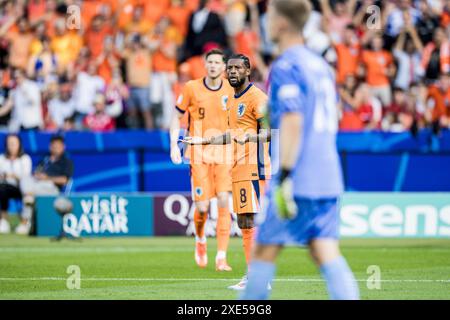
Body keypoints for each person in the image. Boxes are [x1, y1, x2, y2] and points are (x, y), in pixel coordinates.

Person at [241, 0, 359, 300]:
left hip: (300, 176)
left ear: (281, 24)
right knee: (324, 249)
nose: (265, 24)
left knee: (264, 251)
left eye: (268, 18)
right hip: (328, 175)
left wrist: (286, 175)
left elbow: (293, 119)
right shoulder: (319, 64)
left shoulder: (287, 65)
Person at [182, 53, 271, 290]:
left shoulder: (257, 97)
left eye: (237, 68)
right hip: (238, 167)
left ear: (247, 71)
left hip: (254, 167)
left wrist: (250, 137)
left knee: (250, 221)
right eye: (229, 68)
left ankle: (258, 278)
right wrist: (202, 141)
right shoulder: (231, 98)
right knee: (244, 221)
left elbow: (269, 132)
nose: (231, 72)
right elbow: (231, 135)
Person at [170, 49, 234, 272]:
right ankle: (200, 239)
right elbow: (176, 117)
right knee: (203, 206)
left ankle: (222, 258)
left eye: (218, 62)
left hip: (224, 153)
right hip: (198, 155)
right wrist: (173, 146)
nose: (214, 66)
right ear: (205, 66)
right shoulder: (191, 88)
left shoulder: (232, 89)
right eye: (211, 62)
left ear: (224, 67)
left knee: (225, 201)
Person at [20, 135, 74, 232]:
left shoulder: (67, 161)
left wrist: (47, 178)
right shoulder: (45, 159)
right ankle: (29, 196)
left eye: (58, 146)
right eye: (54, 146)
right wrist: (37, 175)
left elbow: (65, 180)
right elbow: (36, 172)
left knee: (30, 196)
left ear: (63, 147)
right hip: (36, 185)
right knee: (25, 179)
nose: (56, 148)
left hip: (52, 188)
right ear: (50, 146)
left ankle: (25, 223)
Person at [0, 134, 32, 234]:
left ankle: (25, 222)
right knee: (2, 189)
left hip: (22, 188)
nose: (11, 146)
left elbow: (25, 177)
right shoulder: (2, 158)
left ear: (19, 144)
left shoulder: (25, 158)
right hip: (5, 188)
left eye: (14, 143)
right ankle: (3, 221)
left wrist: (12, 175)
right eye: (9, 144)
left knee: (28, 193)